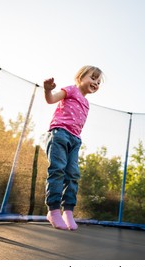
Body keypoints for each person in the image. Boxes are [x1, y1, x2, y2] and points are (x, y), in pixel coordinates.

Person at [43, 65, 103, 230]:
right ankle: (53, 209)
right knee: (58, 170)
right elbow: (50, 100)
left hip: (75, 140)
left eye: (98, 82)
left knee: (73, 174)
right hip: (59, 133)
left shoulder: (87, 103)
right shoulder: (70, 90)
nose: (96, 83)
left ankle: (67, 211)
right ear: (80, 77)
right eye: (93, 78)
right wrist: (47, 90)